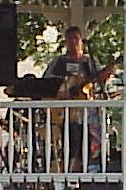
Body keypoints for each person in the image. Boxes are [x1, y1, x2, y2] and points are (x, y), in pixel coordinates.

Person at [43, 26, 114, 171]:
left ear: (82, 41)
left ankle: (82, 173)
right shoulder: (59, 62)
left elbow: (99, 83)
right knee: (71, 143)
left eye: (76, 38)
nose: (73, 41)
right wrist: (62, 92)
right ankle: (68, 173)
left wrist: (106, 74)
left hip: (87, 113)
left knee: (86, 144)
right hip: (66, 112)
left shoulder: (89, 62)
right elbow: (47, 83)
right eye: (69, 38)